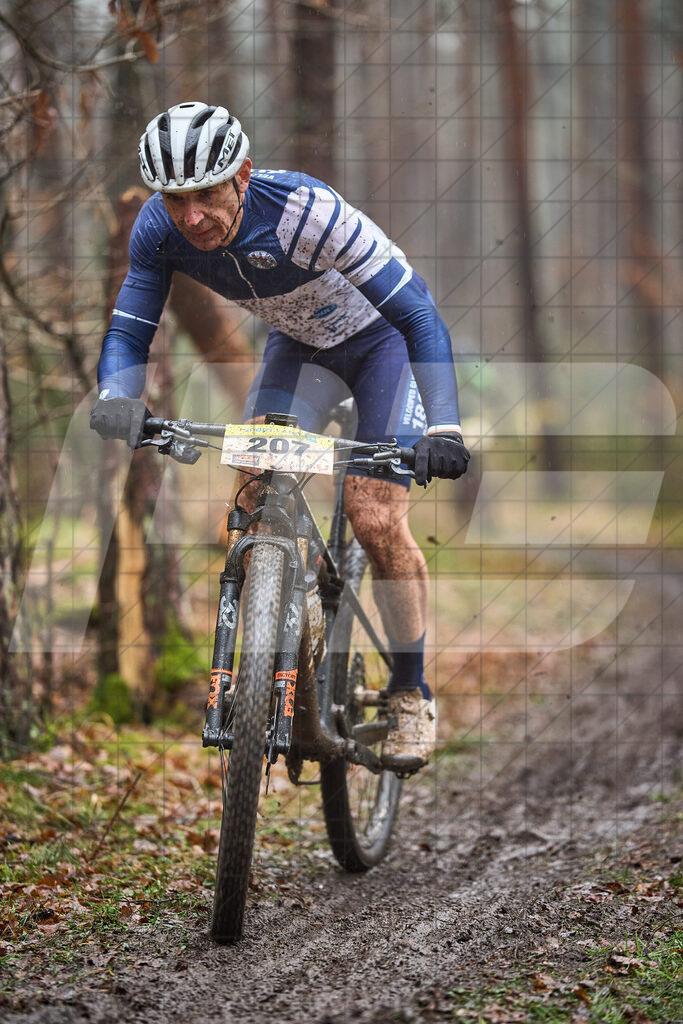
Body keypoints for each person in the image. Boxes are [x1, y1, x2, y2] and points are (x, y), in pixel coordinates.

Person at [91, 102, 470, 772]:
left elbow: (416, 314)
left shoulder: (304, 212)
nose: (192, 217)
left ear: (240, 175)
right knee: (253, 497)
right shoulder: (158, 229)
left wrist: (442, 424)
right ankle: (283, 644)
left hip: (379, 346)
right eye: (175, 200)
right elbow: (130, 328)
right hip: (299, 353)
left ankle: (410, 691)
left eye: (206, 194)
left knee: (373, 516)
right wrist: (119, 397)